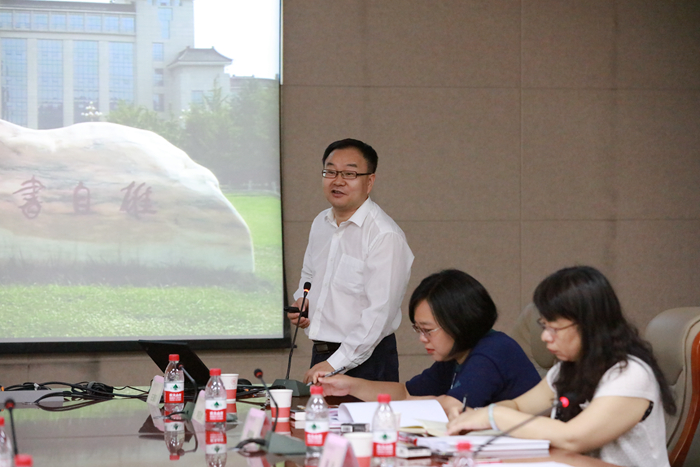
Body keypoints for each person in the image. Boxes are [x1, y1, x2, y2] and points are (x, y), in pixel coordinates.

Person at [446, 266, 676, 467]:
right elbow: (519, 406)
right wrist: (475, 416)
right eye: (544, 326)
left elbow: (572, 438)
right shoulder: (568, 368)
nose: (545, 337)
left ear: (588, 324)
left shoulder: (629, 373)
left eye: (554, 329)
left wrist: (493, 416)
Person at [311, 269, 541, 414]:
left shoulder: (492, 352)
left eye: (428, 330)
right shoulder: (457, 355)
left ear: (459, 322)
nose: (422, 338)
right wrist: (351, 385)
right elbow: (406, 393)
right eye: (418, 329)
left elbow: (451, 408)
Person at [287, 138, 414, 383]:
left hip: (367, 360)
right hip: (322, 355)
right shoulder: (320, 223)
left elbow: (379, 314)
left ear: (370, 181)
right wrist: (304, 300)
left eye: (349, 174)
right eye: (330, 172)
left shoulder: (384, 235)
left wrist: (334, 364)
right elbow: (310, 274)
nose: (338, 181)